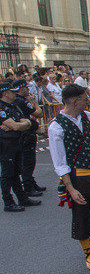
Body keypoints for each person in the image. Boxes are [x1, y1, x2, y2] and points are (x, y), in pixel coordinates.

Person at [47, 84, 90, 269]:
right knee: (81, 216)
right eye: (86, 98)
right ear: (75, 101)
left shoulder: (88, 117)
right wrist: (70, 188)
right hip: (78, 176)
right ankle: (88, 253)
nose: (89, 101)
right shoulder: (56, 127)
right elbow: (60, 162)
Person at [1, 81, 40, 213]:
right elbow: (16, 126)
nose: (15, 93)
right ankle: (8, 201)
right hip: (6, 144)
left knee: (16, 172)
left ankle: (22, 198)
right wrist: (21, 124)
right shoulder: (1, 108)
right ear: (5, 93)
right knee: (7, 174)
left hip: (16, 141)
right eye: (12, 91)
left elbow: (24, 122)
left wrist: (24, 123)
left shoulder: (12, 106)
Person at [12, 79, 45, 198]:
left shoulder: (19, 101)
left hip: (27, 133)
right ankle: (28, 186)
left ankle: (31, 182)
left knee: (29, 160)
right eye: (26, 87)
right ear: (21, 89)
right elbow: (39, 113)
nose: (28, 89)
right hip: (26, 134)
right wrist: (33, 102)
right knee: (28, 161)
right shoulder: (21, 101)